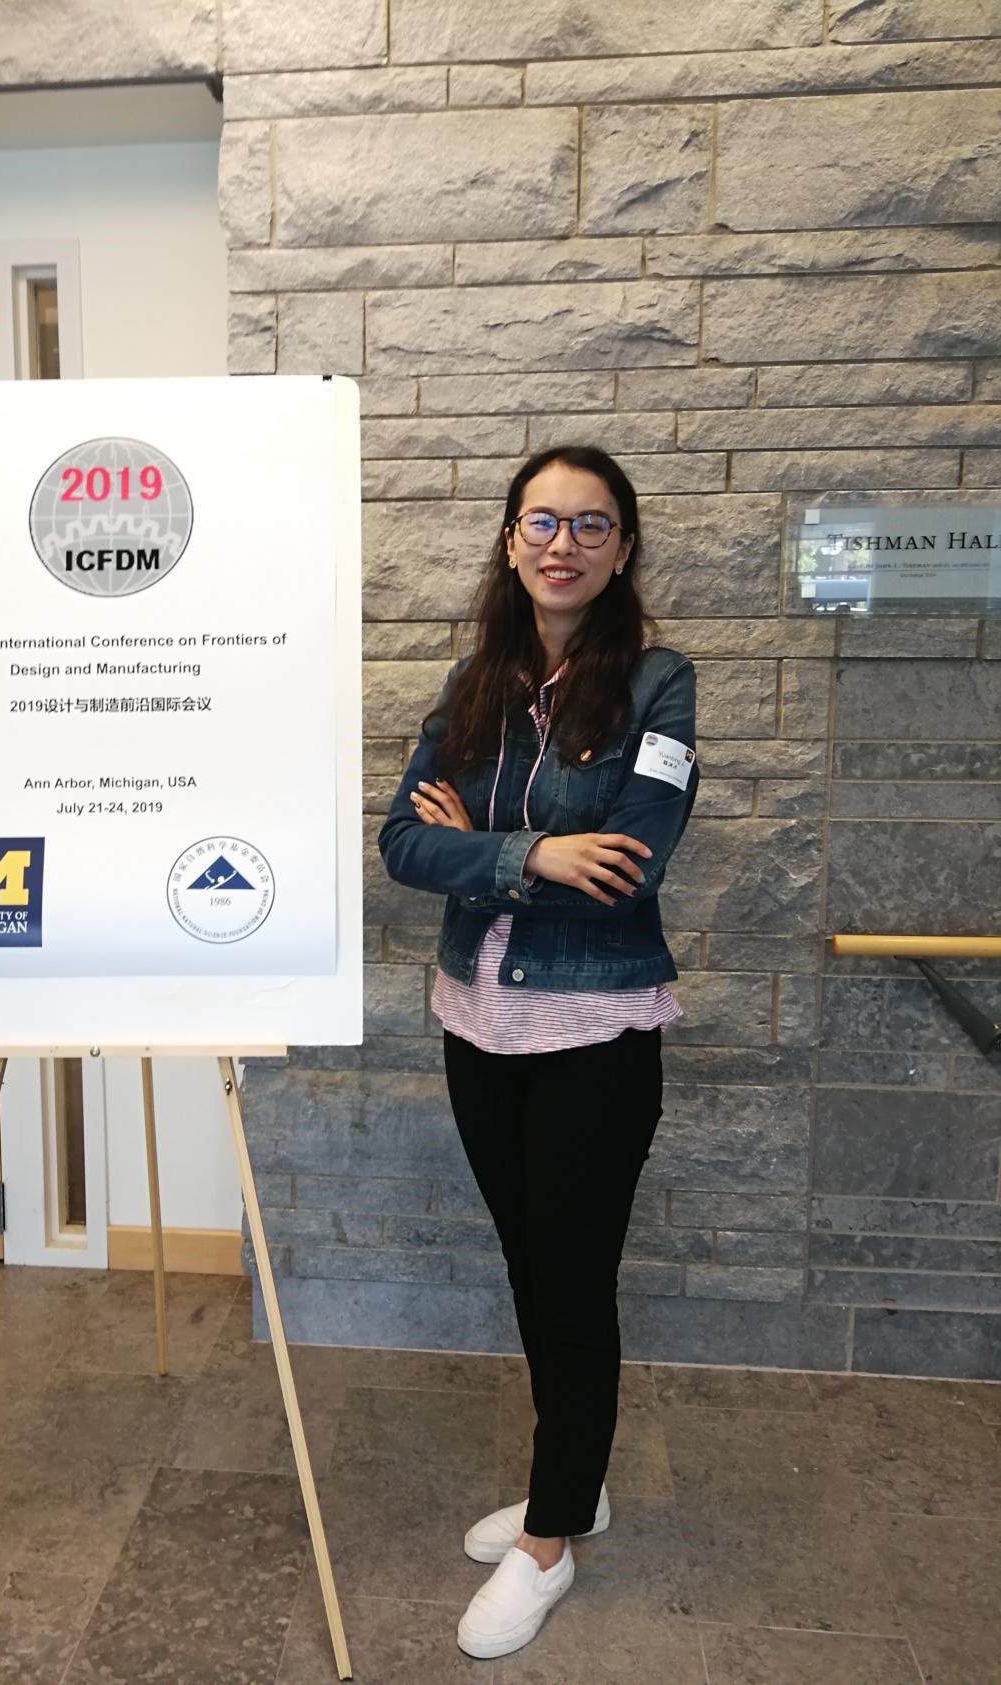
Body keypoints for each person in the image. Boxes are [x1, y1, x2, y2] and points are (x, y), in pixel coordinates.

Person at [378, 445, 698, 1661]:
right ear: (512, 539)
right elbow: (401, 844)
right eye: (542, 521)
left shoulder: (656, 685)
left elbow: (632, 864)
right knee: (529, 1264)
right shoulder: (473, 685)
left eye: (591, 523)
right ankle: (576, 1477)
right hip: (476, 1022)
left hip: (595, 1033)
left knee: (570, 1279)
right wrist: (536, 852)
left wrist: (489, 843)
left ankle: (551, 1537)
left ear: (623, 547)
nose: (563, 543)